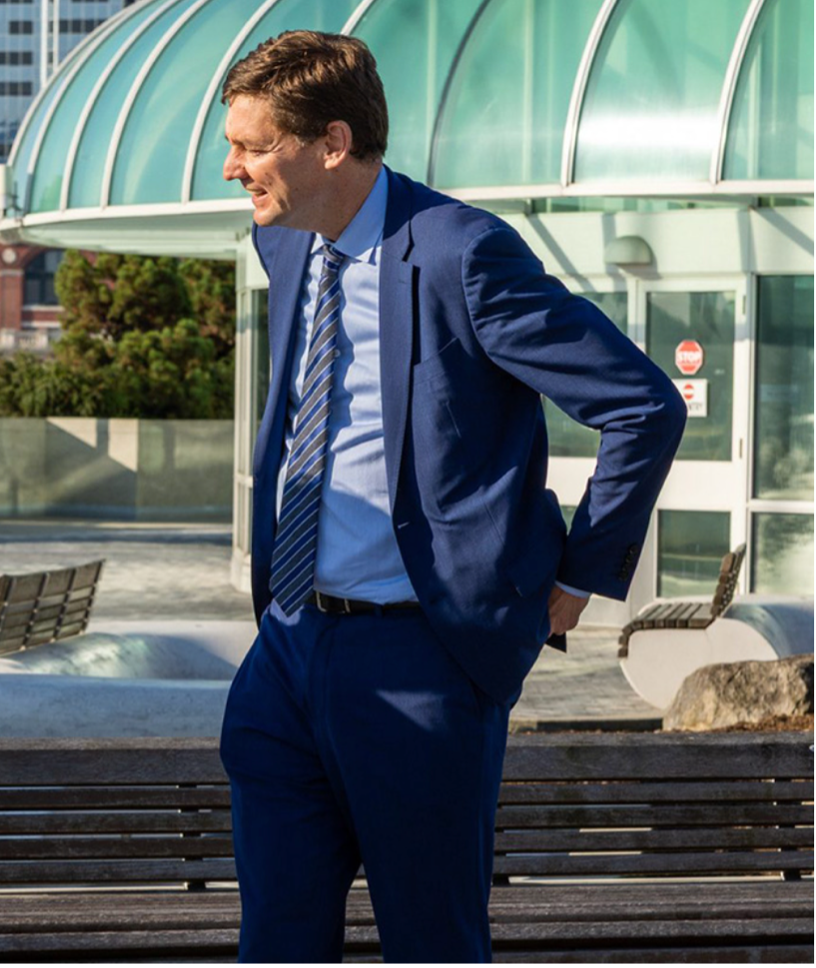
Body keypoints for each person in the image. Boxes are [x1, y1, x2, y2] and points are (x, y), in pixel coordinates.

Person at [215, 31, 685, 963]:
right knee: (274, 941)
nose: (234, 168)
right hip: (286, 655)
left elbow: (641, 404)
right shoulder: (286, 250)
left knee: (432, 944)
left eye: (254, 146)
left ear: (332, 144)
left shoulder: (465, 253)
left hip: (424, 659)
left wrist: (583, 571)